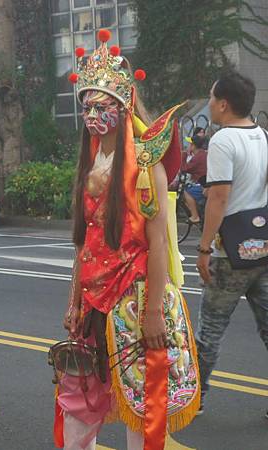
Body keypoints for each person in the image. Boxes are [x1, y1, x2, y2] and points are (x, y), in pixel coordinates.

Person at [57, 30, 200, 450]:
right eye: (86, 106)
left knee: (143, 405)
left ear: (123, 107)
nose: (92, 115)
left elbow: (158, 242)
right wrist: (73, 299)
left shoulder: (146, 164)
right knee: (79, 398)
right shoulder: (91, 159)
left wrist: (154, 310)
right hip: (92, 302)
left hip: (135, 301)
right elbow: (83, 243)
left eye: (101, 107)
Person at [195, 71, 268, 417]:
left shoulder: (223, 141)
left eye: (211, 97)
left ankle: (193, 399)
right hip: (263, 248)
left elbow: (220, 199)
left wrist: (204, 248)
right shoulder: (263, 135)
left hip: (229, 255)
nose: (209, 103)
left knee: (210, 332)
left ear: (223, 104)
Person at [182, 135, 208, 224]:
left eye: (189, 144)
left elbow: (184, 168)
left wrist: (184, 155)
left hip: (206, 186)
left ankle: (195, 216)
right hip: (207, 183)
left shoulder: (197, 158)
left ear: (193, 146)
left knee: (187, 191)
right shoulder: (203, 154)